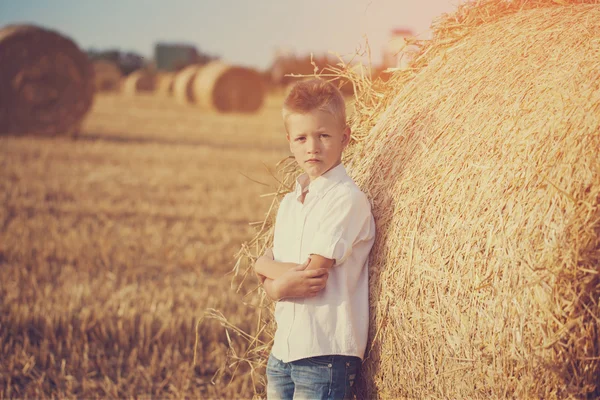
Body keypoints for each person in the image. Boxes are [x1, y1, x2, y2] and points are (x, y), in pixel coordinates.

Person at [254, 78, 376, 400]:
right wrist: (271, 277)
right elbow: (277, 267)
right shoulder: (290, 202)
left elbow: (312, 274)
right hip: (284, 351)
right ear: (289, 142)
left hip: (324, 354)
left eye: (323, 136)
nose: (313, 147)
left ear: (344, 137)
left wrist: (266, 271)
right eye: (302, 137)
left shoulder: (347, 200)